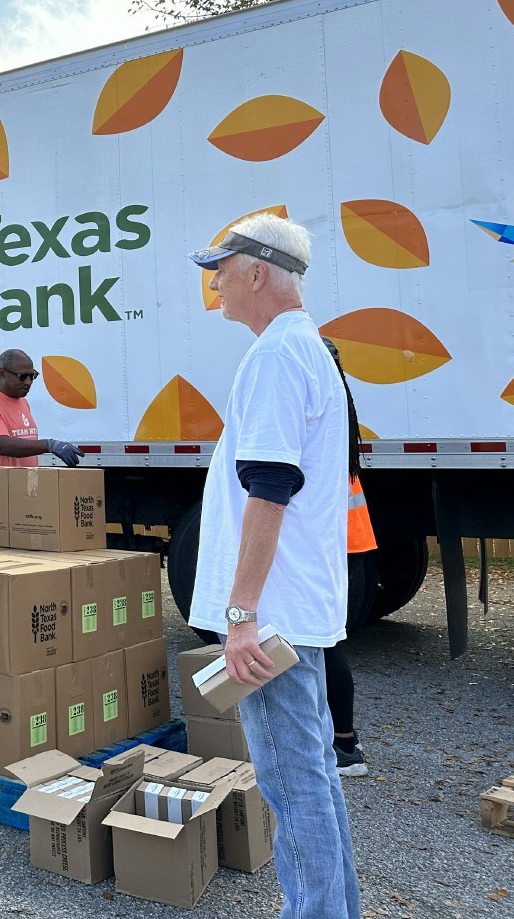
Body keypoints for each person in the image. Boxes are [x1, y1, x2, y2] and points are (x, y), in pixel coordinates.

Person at [187, 213, 360, 919]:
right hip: (295, 609)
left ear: (257, 271)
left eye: (221, 268)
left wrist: (241, 615)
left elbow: (269, 487)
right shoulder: (304, 348)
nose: (215, 282)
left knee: (293, 782)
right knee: (313, 775)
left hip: (272, 618)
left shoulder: (275, 357)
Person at [321, 339, 379, 778]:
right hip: (352, 544)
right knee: (330, 646)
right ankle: (344, 742)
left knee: (324, 647)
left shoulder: (323, 416)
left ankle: (345, 748)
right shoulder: (342, 409)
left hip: (333, 548)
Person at [0, 349, 82, 467]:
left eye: (32, 376)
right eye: (22, 376)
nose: (28, 382)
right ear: (2, 373)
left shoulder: (23, 402)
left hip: (27, 481)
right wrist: (49, 445)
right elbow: (3, 445)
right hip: (0, 483)